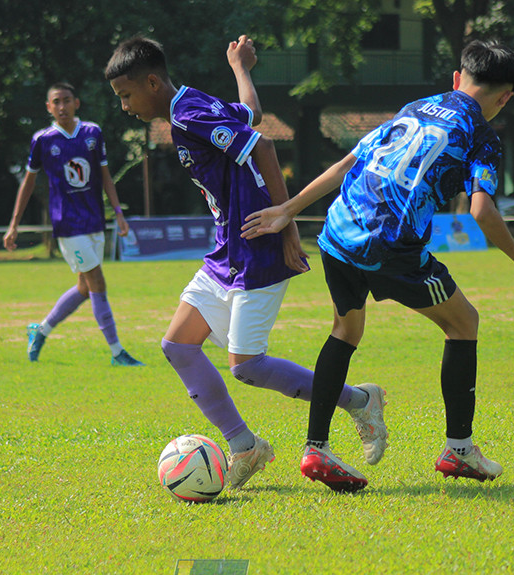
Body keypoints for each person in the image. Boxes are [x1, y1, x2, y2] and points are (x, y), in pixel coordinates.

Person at [243, 40, 514, 484]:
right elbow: (481, 210)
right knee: (464, 323)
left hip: (339, 232)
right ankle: (459, 450)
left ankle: (315, 450)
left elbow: (348, 163)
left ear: (457, 79)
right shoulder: (481, 135)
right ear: (506, 97)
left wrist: (289, 209)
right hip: (392, 248)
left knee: (345, 331)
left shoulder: (414, 108)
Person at [105, 35, 387, 492]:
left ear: (152, 83)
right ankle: (244, 446)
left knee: (247, 365)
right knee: (178, 346)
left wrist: (287, 223)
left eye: (126, 95)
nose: (124, 106)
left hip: (256, 248)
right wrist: (240, 68)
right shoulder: (191, 104)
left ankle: (359, 400)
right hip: (226, 250)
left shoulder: (189, 114)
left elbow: (263, 146)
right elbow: (251, 114)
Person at [3, 82, 145, 368]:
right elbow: (28, 183)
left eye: (67, 100)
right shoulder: (43, 140)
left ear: (76, 103)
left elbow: (105, 176)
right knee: (97, 281)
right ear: (48, 107)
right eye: (56, 102)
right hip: (67, 225)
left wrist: (118, 212)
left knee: (84, 287)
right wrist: (14, 223)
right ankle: (117, 352)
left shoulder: (92, 133)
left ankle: (40, 330)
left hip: (94, 220)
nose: (62, 106)